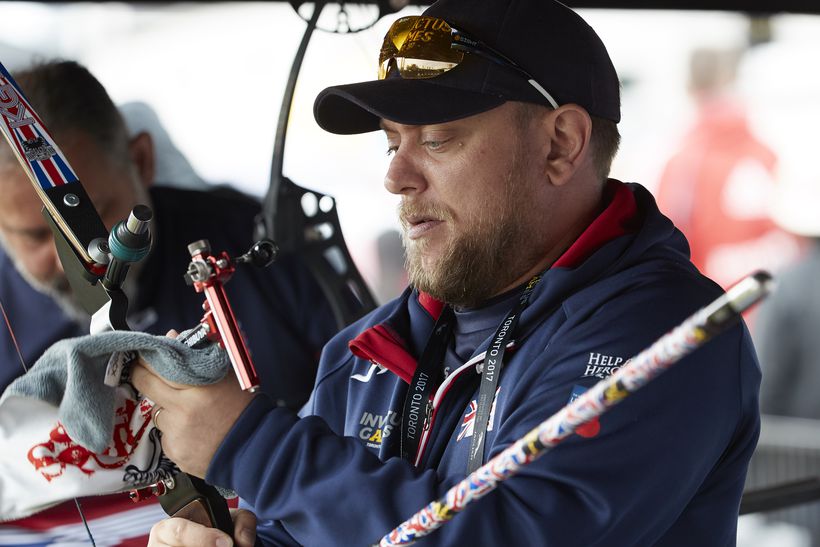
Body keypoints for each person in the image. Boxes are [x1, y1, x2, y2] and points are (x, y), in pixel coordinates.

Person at [133, 1, 762, 545]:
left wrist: (254, 449)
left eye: (436, 139)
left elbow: (520, 534)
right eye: (390, 142)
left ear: (560, 144)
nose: (396, 176)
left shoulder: (668, 337)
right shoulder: (363, 353)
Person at [0, 61, 337, 544]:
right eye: (37, 234)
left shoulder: (262, 244)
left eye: (96, 222)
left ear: (140, 162)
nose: (75, 259)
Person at [654, 47, 800, 291]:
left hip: (714, 313)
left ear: (689, 88)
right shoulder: (770, 151)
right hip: (774, 306)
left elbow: (667, 251)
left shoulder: (682, 164)